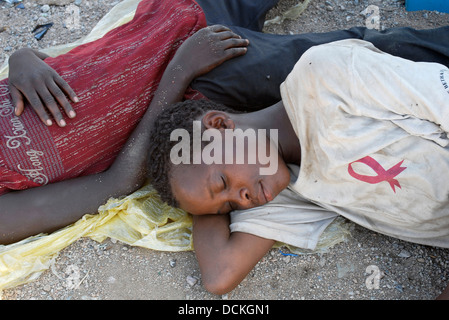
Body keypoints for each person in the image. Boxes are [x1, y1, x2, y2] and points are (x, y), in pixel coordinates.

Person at [1, 0, 448, 252]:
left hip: (163, 27)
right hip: (194, 93)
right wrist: (179, 71)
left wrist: (22, 59)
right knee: (375, 54)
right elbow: (116, 181)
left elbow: (68, 72)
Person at [146, 39, 449, 297]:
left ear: (220, 124)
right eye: (227, 207)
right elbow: (219, 274)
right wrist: (203, 206)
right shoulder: (288, 191)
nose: (241, 200)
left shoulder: (326, 77)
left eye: (223, 182)